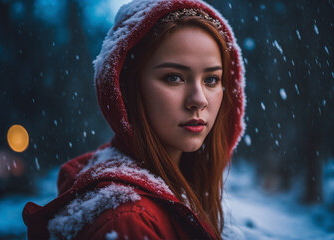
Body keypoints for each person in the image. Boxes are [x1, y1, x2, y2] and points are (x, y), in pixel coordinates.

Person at [22, 0, 245, 239]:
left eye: (211, 80)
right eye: (174, 77)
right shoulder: (129, 221)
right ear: (126, 88)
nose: (199, 100)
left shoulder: (181, 189)